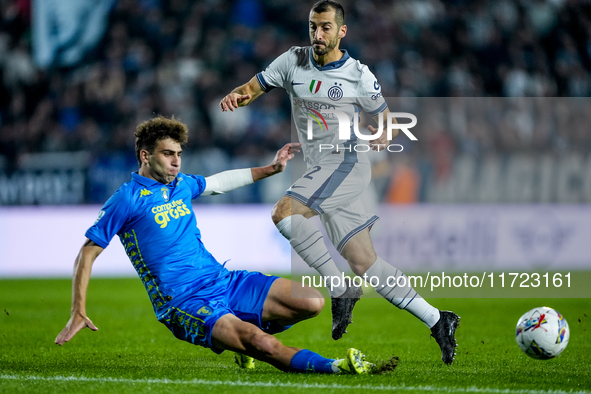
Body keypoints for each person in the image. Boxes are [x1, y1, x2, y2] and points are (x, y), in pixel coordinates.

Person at [219, 0, 460, 364]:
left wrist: (384, 132)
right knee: (365, 263)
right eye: (313, 26)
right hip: (320, 169)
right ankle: (438, 319)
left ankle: (340, 287)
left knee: (283, 212)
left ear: (341, 31)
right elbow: (254, 86)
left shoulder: (359, 75)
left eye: (326, 27)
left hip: (345, 163)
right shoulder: (292, 62)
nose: (318, 34)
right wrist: (239, 95)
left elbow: (387, 120)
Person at [54, 115, 374, 375]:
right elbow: (87, 252)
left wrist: (272, 169)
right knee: (260, 343)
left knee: (311, 303)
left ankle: (241, 344)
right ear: (145, 156)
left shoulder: (180, 185)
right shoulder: (126, 199)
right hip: (183, 301)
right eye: (168, 154)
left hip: (222, 280)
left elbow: (219, 183)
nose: (176, 161)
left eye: (179, 154)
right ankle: (336, 367)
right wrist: (78, 310)